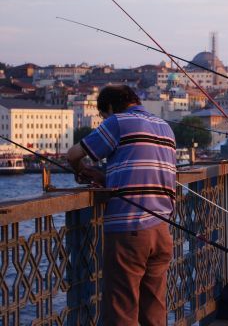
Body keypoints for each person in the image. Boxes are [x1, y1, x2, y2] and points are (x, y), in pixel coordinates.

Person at [66, 85, 176, 326]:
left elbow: (73, 154)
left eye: (103, 116)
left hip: (130, 228)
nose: (105, 120)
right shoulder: (164, 127)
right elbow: (145, 172)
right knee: (154, 311)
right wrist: (105, 177)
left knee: (121, 311)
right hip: (162, 230)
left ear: (109, 108)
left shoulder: (118, 122)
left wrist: (81, 171)